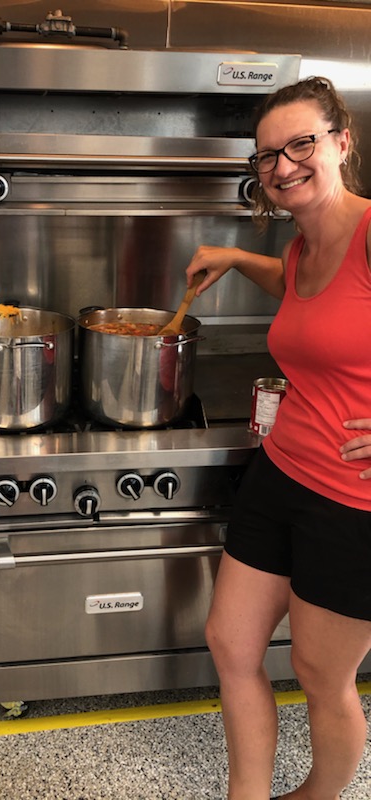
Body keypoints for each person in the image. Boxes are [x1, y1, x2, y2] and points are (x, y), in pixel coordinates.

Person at [185, 77, 371, 800]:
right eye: (267, 156)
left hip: (353, 506)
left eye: (302, 144)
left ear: (342, 142)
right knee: (231, 645)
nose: (283, 165)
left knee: (325, 679)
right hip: (281, 475)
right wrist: (235, 259)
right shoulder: (299, 248)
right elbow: (302, 296)